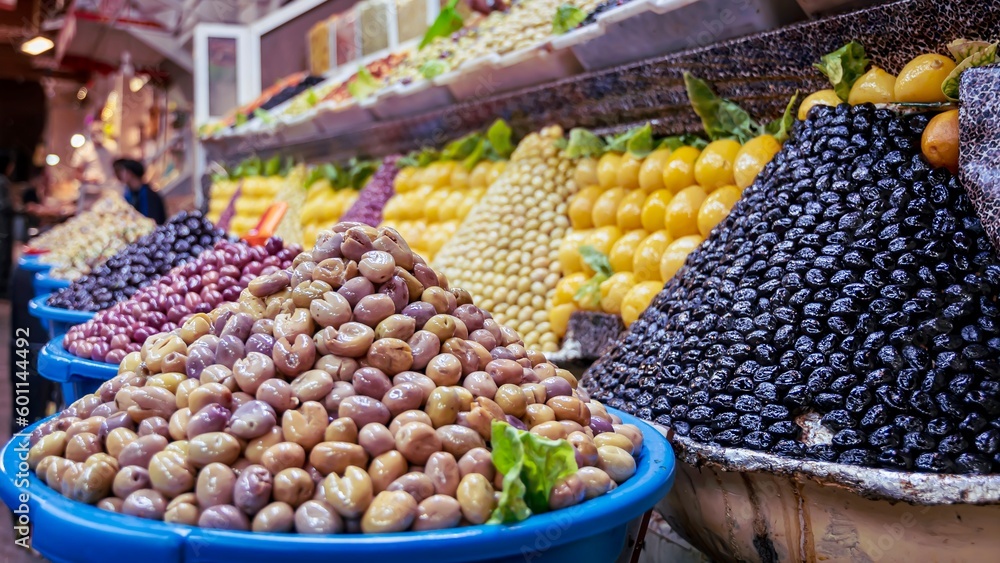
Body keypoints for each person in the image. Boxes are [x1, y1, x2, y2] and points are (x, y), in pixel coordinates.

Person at [113, 158, 166, 224]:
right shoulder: (129, 194)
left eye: (121, 170)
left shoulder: (149, 195)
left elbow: (152, 221)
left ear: (130, 172)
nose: (118, 175)